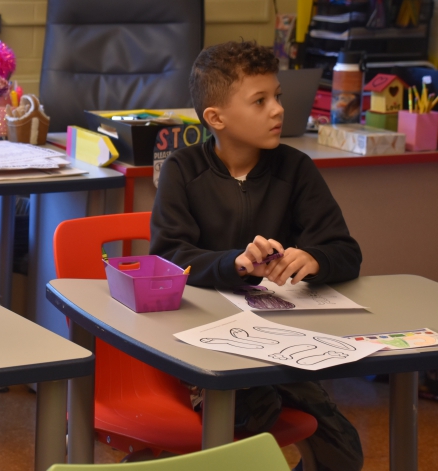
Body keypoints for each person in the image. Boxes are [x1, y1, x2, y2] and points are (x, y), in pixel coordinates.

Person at [150, 41, 363, 471]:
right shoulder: (182, 171)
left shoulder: (296, 169)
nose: (277, 110)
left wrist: (315, 259)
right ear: (216, 118)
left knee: (344, 452)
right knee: (257, 412)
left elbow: (346, 251)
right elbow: (169, 257)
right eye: (260, 101)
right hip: (204, 349)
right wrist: (235, 264)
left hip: (285, 345)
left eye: (278, 97)